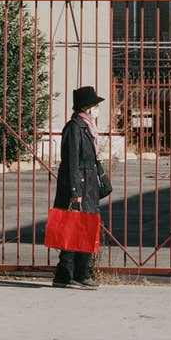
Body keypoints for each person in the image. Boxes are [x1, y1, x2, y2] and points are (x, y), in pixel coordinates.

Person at [52, 85, 105, 289]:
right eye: (95, 105)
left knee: (77, 228)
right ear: (88, 107)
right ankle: (81, 274)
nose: (98, 109)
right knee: (82, 229)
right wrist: (75, 192)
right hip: (80, 186)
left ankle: (64, 274)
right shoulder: (75, 128)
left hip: (87, 184)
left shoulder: (86, 127)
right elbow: (71, 161)